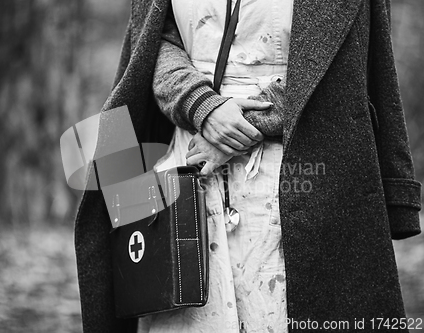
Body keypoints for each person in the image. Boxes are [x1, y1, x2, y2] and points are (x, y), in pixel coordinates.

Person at [74, 0, 422, 332]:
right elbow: (152, 41)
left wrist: (243, 122)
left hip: (302, 170)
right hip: (187, 168)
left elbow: (346, 72)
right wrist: (200, 105)